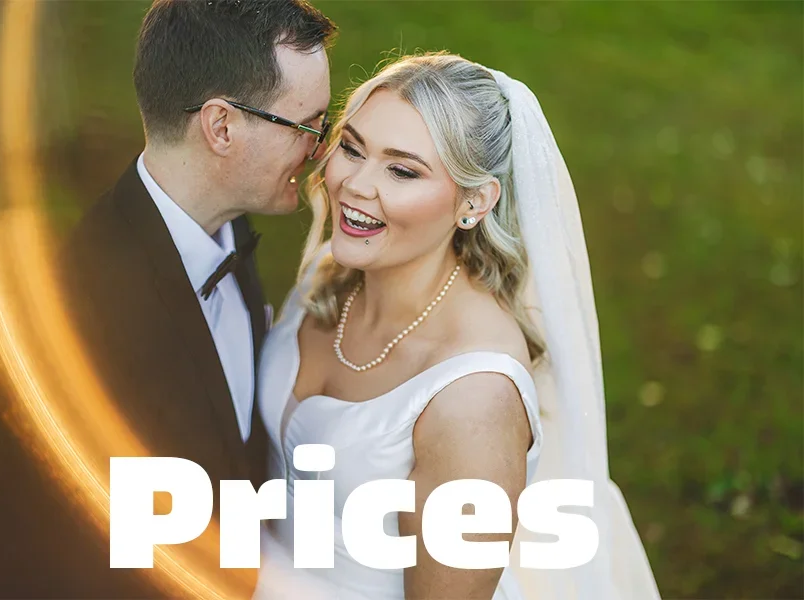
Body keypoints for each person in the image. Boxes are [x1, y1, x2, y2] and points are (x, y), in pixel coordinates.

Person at [253, 52, 662, 599]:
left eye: (402, 170)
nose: (354, 184)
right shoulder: (332, 272)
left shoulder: (475, 398)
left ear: (474, 201)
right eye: (352, 148)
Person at [57, 0, 335, 597]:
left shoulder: (226, 227)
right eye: (308, 125)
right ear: (222, 127)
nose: (320, 150)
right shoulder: (91, 311)